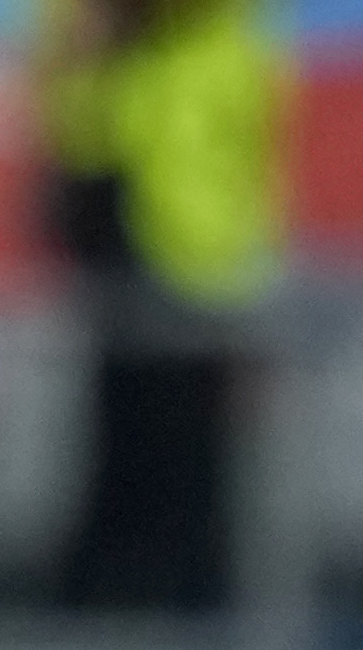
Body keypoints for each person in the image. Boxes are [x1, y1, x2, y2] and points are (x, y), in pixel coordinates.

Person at [21, 0, 291, 612]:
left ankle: (177, 620)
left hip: (193, 245)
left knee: (186, 463)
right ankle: (113, 612)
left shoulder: (208, 39)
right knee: (120, 444)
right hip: (116, 200)